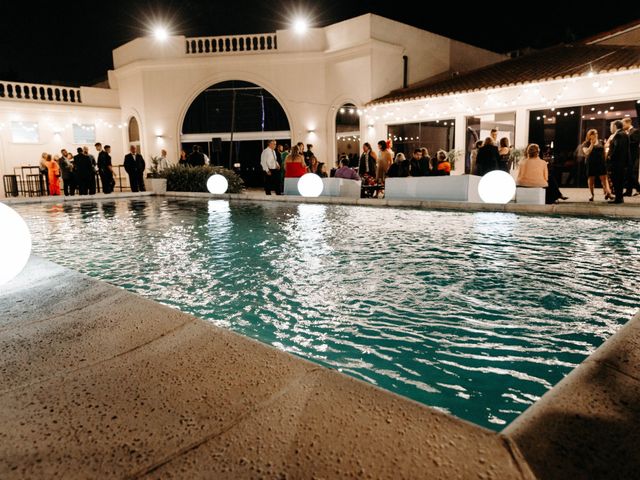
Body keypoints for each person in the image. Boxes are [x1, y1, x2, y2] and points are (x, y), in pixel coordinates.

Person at [582, 129, 612, 202]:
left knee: (604, 178)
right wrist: (592, 144)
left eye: (597, 133)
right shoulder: (586, 143)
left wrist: (605, 159)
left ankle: (608, 193)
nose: (596, 135)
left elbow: (604, 151)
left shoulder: (601, 142)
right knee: (591, 179)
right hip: (591, 163)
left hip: (601, 163)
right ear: (590, 135)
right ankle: (592, 194)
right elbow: (586, 153)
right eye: (594, 134)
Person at [607, 120, 630, 204]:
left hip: (617, 163)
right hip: (622, 162)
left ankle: (618, 198)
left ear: (615, 126)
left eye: (611, 126)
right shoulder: (624, 134)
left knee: (617, 181)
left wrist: (610, 157)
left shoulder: (618, 135)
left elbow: (617, 149)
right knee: (619, 181)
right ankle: (619, 198)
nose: (610, 128)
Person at [622, 117, 640, 196]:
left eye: (623, 124)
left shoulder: (635, 131)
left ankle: (638, 188)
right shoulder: (626, 132)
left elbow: (635, 143)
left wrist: (625, 139)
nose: (622, 126)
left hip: (633, 156)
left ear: (628, 123)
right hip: (628, 156)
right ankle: (628, 192)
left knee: (631, 174)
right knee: (629, 174)